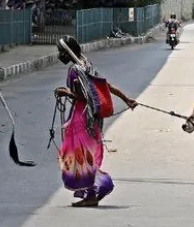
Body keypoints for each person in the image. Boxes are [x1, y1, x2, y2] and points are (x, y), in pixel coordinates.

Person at [54, 37, 137, 207]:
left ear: (67, 52)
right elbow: (105, 85)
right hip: (91, 120)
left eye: (61, 51)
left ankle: (93, 193)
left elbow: (84, 97)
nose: (59, 55)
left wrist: (66, 93)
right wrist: (126, 98)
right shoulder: (86, 64)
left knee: (81, 158)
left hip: (81, 117)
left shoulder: (75, 70)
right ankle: (90, 194)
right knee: (85, 157)